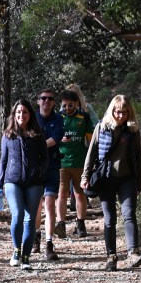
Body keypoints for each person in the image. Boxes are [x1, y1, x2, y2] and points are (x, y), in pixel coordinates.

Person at [82, 94, 141, 271]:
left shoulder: (132, 130)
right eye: (118, 112)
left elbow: (138, 158)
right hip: (106, 179)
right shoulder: (101, 127)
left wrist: (139, 183)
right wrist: (85, 177)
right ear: (112, 110)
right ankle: (111, 256)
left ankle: (133, 252)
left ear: (129, 112)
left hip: (127, 179)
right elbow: (92, 153)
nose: (120, 116)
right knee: (110, 219)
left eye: (124, 113)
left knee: (129, 214)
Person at [0, 99, 49, 271]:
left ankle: (26, 256)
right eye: (18, 112)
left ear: (30, 115)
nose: (21, 115)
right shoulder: (8, 135)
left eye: (24, 112)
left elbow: (45, 158)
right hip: (13, 181)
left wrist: (39, 172)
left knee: (30, 219)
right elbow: (3, 162)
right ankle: (16, 251)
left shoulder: (38, 134)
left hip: (34, 182)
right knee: (17, 215)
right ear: (14, 114)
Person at [34, 89, 64, 259]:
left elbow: (57, 137)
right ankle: (36, 236)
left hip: (52, 165)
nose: (46, 101)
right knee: (37, 205)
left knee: (50, 203)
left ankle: (49, 243)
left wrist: (39, 146)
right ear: (38, 101)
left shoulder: (58, 118)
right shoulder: (32, 118)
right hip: (36, 168)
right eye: (43, 98)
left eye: (50, 99)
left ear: (53, 102)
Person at [58, 90, 92, 239]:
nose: (67, 108)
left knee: (80, 194)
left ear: (76, 104)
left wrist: (93, 161)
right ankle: (61, 224)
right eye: (64, 105)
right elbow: (50, 137)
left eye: (70, 105)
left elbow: (91, 140)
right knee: (62, 194)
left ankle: (81, 224)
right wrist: (60, 139)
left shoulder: (84, 117)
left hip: (80, 161)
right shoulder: (58, 118)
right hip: (61, 163)